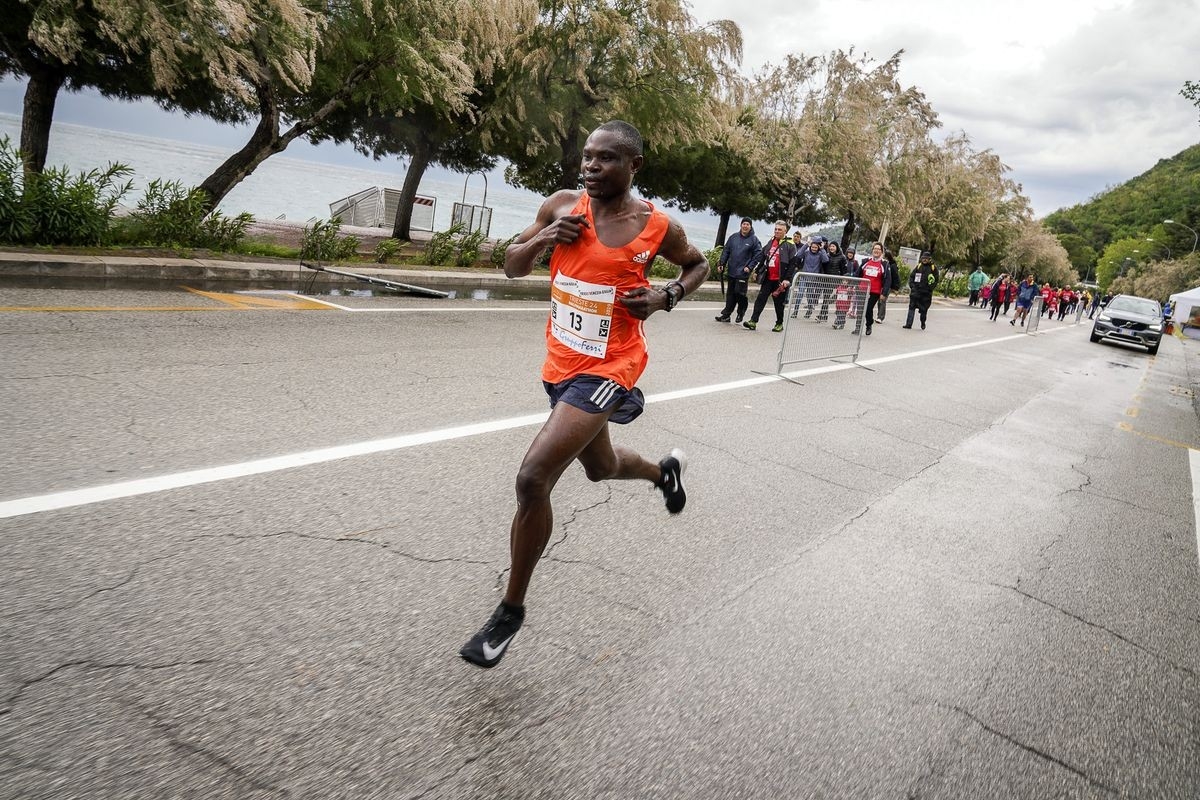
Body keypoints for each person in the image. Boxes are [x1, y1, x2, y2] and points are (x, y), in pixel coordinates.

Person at [460, 120, 709, 669]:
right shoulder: (561, 206)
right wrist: (546, 238)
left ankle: (510, 610)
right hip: (560, 365)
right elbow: (510, 265)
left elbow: (697, 265)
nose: (590, 166)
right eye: (588, 157)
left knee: (532, 477)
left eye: (606, 158)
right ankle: (662, 472)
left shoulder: (656, 227)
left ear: (633, 166)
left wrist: (667, 295)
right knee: (599, 468)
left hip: (611, 367)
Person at [744, 220, 797, 332]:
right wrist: (757, 271)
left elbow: (793, 264)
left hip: (780, 280)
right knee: (760, 299)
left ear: (785, 231)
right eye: (775, 229)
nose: (777, 231)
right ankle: (753, 321)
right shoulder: (771, 241)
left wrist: (787, 279)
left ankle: (779, 323)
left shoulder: (790, 244)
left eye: (779, 230)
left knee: (778, 304)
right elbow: (763, 257)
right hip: (768, 277)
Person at [714, 217, 761, 324]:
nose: (745, 226)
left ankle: (741, 312)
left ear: (750, 226)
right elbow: (726, 251)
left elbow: (758, 255)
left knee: (740, 294)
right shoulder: (733, 237)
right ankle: (726, 315)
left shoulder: (754, 240)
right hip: (732, 270)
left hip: (743, 272)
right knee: (730, 294)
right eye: (743, 224)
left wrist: (749, 267)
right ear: (741, 225)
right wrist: (722, 263)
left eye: (747, 224)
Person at [853, 242, 887, 336]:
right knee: (860, 309)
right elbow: (858, 274)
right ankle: (858, 328)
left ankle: (869, 324)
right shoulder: (865, 261)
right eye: (875, 249)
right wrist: (853, 285)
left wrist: (884, 293)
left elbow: (887, 279)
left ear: (881, 252)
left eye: (878, 249)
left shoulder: (884, 264)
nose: (876, 250)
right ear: (872, 250)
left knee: (868, 309)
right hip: (862, 289)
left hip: (874, 291)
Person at [902, 250, 939, 329]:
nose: (924, 260)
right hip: (916, 292)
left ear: (929, 259)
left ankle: (923, 322)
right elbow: (912, 276)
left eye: (926, 258)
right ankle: (908, 324)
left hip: (926, 294)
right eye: (923, 258)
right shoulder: (918, 266)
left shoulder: (933, 268)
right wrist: (912, 286)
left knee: (923, 310)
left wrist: (930, 288)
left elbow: (936, 280)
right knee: (911, 307)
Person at [877, 249, 900, 322]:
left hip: (888, 285)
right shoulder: (882, 263)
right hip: (880, 284)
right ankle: (879, 315)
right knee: (879, 301)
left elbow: (896, 277)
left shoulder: (892, 266)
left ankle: (880, 317)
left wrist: (896, 288)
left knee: (882, 300)